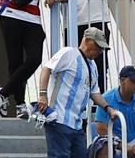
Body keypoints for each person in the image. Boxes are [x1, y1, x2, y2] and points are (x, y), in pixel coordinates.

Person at [34, 27, 113, 158]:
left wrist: (108, 107)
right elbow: (46, 69)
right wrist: (43, 95)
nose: (100, 51)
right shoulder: (69, 53)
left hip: (77, 124)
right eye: (98, 46)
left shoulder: (93, 66)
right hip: (59, 119)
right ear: (87, 41)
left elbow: (95, 93)